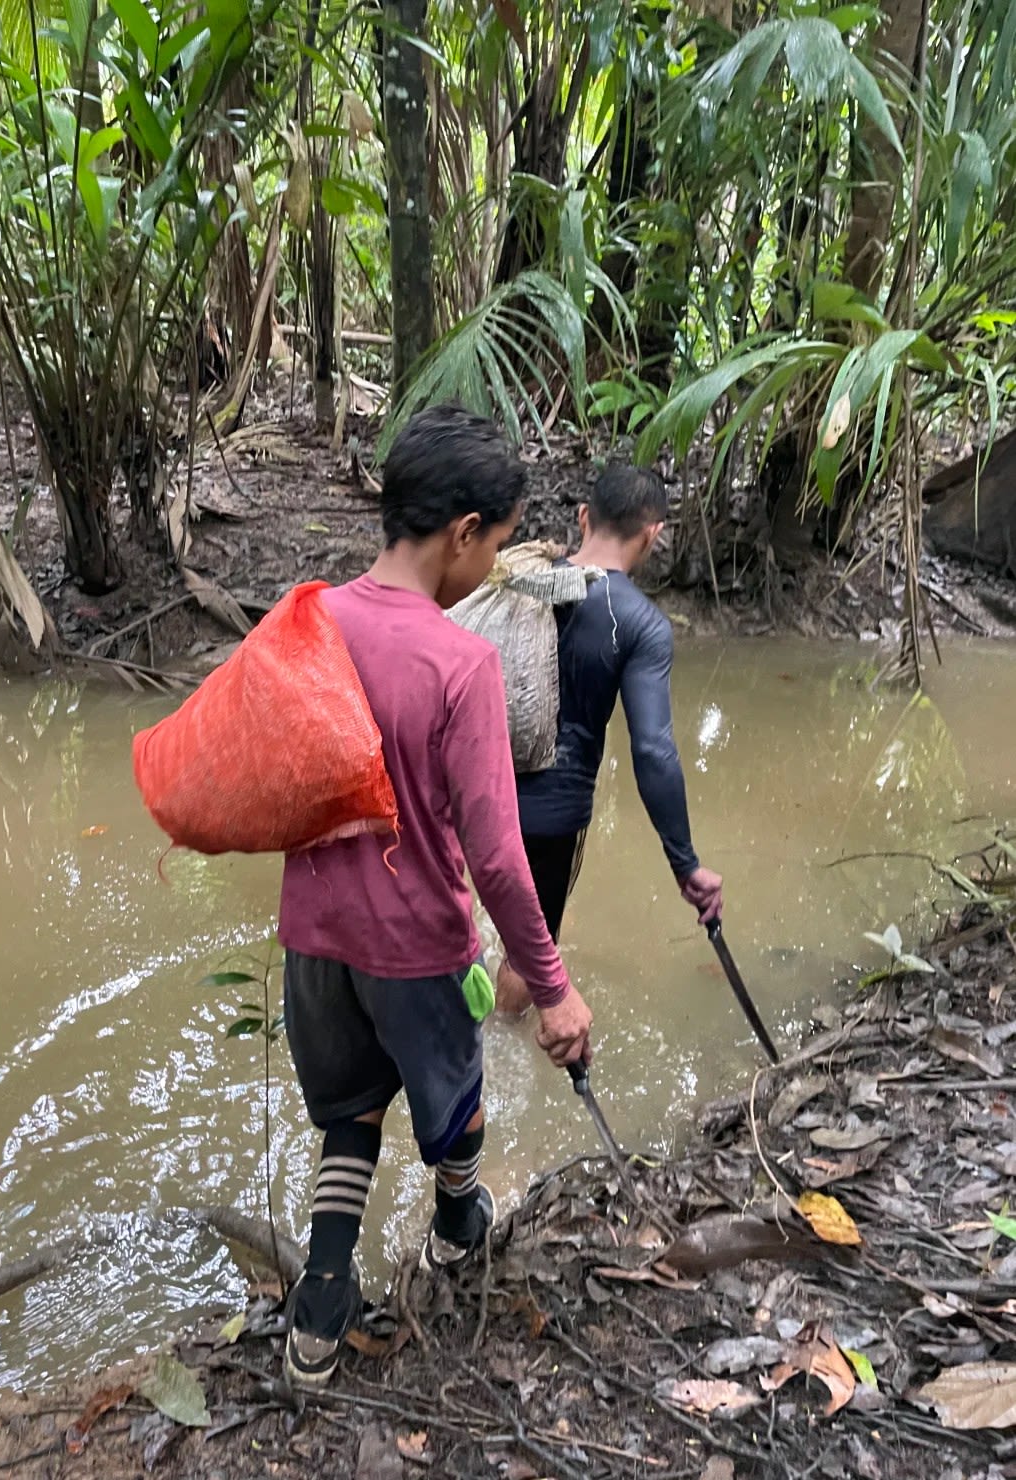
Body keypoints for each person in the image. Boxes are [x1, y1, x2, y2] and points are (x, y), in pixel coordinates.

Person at [277, 404, 594, 1386]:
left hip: (314, 941)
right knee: (453, 1105)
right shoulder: (463, 664)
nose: (491, 566)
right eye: (495, 546)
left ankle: (320, 1307)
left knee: (351, 1112)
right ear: (464, 533)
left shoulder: (311, 620)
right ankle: (460, 1223)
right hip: (419, 951)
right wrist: (552, 987)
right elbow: (498, 859)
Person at [496, 464, 724, 1015]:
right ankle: (501, 1036)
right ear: (653, 534)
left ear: (582, 518)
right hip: (550, 814)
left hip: (474, 791)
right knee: (532, 951)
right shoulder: (642, 623)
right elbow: (652, 749)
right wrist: (685, 862)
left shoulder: (518, 579)